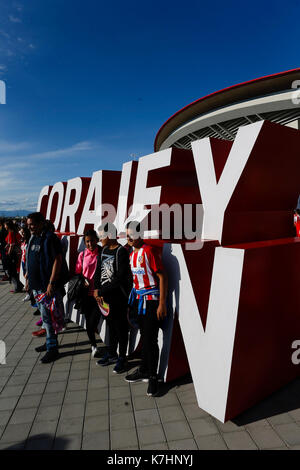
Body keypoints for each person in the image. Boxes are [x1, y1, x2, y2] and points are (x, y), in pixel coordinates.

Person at [124, 221, 168, 397]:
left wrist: (162, 303)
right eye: (127, 236)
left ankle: (153, 377)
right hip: (139, 301)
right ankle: (143, 369)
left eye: (132, 235)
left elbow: (162, 276)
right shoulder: (131, 254)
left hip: (151, 302)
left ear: (139, 235)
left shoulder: (148, 251)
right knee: (144, 337)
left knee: (151, 340)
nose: (129, 239)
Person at [25, 212, 68, 363]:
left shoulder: (50, 238)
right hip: (36, 286)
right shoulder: (33, 237)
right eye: (28, 224)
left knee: (49, 319)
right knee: (45, 318)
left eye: (32, 224)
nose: (29, 227)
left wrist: (51, 282)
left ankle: (53, 349)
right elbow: (31, 259)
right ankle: (49, 342)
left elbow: (58, 260)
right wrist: (29, 279)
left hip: (46, 286)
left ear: (41, 223)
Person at [94, 222, 132, 373]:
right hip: (105, 298)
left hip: (118, 298)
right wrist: (96, 289)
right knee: (110, 326)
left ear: (109, 235)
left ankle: (122, 357)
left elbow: (120, 278)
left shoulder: (121, 252)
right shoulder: (103, 250)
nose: (100, 239)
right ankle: (111, 353)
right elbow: (98, 271)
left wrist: (102, 291)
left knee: (121, 328)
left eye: (101, 236)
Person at [75, 229, 102, 357]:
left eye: (92, 240)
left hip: (99, 295)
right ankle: (93, 345)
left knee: (93, 322)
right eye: (87, 241)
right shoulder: (82, 255)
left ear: (96, 239)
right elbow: (78, 272)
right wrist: (82, 278)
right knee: (88, 322)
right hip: (85, 295)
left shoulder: (102, 252)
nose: (90, 244)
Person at [5, 220, 23, 293]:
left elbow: (11, 245)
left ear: (8, 226)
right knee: (15, 270)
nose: (4, 226)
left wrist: (8, 254)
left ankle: (17, 287)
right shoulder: (15, 232)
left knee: (12, 271)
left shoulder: (11, 233)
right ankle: (19, 285)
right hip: (17, 253)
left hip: (13, 254)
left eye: (5, 225)